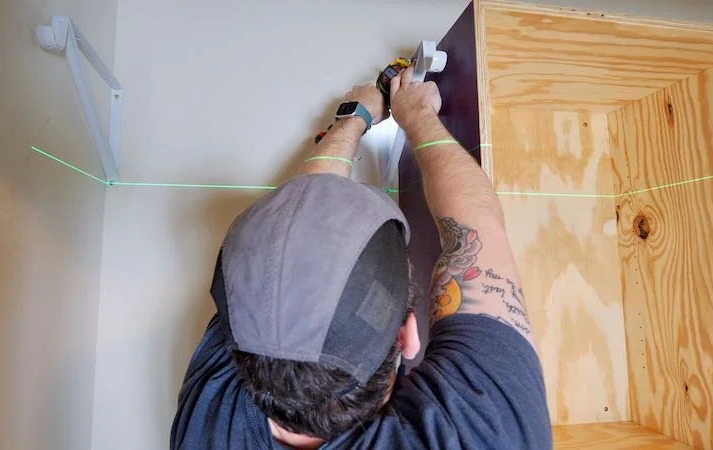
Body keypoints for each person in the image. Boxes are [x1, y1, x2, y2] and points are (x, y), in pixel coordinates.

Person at [170, 68, 551, 449]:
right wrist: (417, 115)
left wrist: (356, 116)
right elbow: (475, 231)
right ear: (407, 336)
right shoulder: (481, 435)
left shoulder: (210, 407)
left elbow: (302, 226)